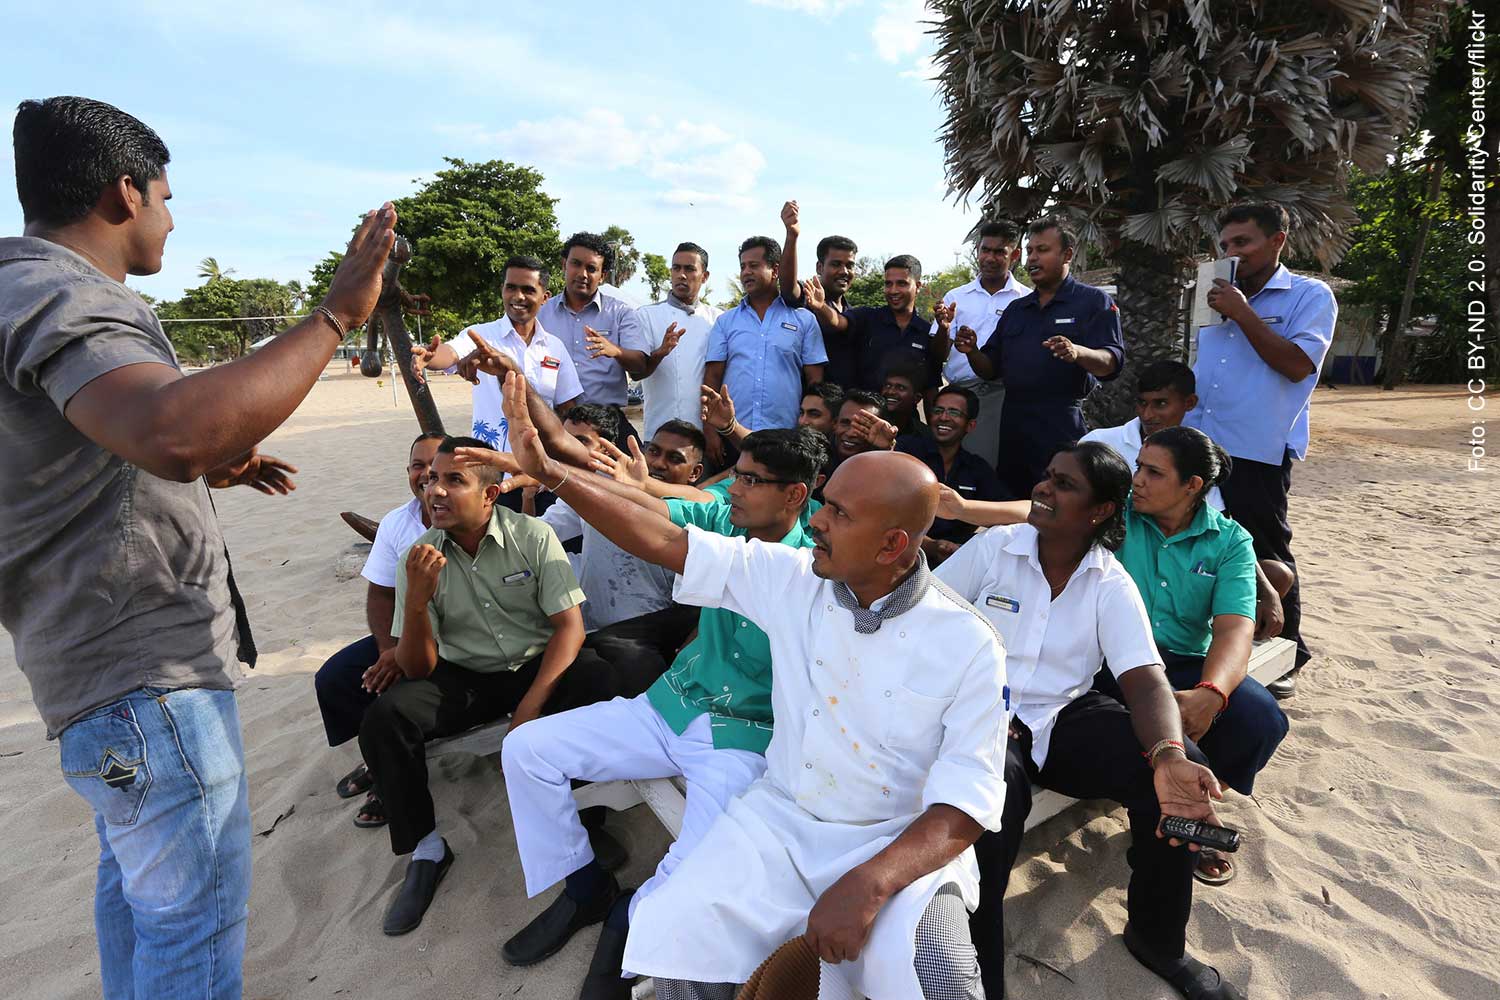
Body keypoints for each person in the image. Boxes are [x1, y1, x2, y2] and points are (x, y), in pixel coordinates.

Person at [0, 96, 395, 999]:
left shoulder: (18, 290)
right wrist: (336, 313)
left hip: (96, 675)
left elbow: (97, 449)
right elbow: (168, 429)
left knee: (140, 897)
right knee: (194, 919)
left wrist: (203, 468)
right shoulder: (57, 290)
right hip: (146, 678)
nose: (172, 219)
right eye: (166, 198)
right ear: (123, 192)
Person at [500, 371, 1009, 999]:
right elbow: (665, 539)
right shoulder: (794, 577)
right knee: (684, 952)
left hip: (897, 846)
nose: (819, 522)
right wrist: (555, 476)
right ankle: (594, 900)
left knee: (944, 983)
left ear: (893, 544)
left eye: (838, 513)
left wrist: (872, 882)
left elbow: (970, 802)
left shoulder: (970, 643)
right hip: (781, 821)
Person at [496, 424, 825, 1000]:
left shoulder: (815, 570)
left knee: (695, 868)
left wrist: (563, 474)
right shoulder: (728, 519)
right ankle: (584, 884)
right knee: (526, 749)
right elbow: (648, 511)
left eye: (751, 480)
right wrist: (559, 460)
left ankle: (626, 933)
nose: (735, 489)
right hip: (669, 704)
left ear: (796, 494)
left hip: (742, 737)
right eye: (737, 474)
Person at [931, 441, 1242, 1000]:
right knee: (992, 791)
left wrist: (1169, 752)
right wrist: (969, 703)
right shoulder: (996, 548)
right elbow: (925, 620)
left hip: (1059, 716)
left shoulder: (1109, 581)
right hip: (981, 713)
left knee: (1176, 772)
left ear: (1099, 511)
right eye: (1047, 476)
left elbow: (1144, 680)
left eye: (1064, 484)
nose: (1044, 489)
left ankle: (1157, 939)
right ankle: (976, 978)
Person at [361, 437, 621, 936]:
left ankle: (588, 819)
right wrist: (415, 602)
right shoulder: (419, 557)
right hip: (465, 676)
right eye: (432, 478)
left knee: (598, 675)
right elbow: (418, 667)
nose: (433, 490)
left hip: (535, 664)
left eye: (452, 480)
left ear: (490, 494)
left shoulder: (532, 537)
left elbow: (568, 628)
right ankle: (427, 848)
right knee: (386, 717)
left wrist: (529, 708)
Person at [1105, 426, 1290, 886]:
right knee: (1175, 742)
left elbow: (1234, 628)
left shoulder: (1229, 541)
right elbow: (1044, 512)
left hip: (1185, 659)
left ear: (1192, 486)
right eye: (1138, 467)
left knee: (1261, 719)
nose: (1137, 479)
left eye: (1153, 472)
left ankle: (1199, 804)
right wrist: (964, 509)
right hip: (1116, 661)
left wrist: (1211, 693)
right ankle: (1179, 828)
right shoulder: (1118, 515)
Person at [1186, 201, 1337, 698]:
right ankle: (1215, 640)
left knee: (1266, 548)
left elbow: (1297, 365)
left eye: (1243, 242)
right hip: (1202, 439)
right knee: (1206, 541)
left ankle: (1289, 649)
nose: (1232, 253)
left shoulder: (1308, 295)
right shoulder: (1213, 296)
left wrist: (1243, 313)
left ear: (1278, 242)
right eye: (1225, 244)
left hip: (1257, 449)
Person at [314, 432, 443, 828]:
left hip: (452, 639)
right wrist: (390, 649)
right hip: (406, 634)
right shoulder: (396, 522)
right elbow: (381, 596)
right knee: (335, 679)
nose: (425, 475)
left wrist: (406, 654)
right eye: (417, 466)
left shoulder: (460, 516)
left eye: (435, 467)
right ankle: (378, 759)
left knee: (395, 698)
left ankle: (392, 780)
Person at [953, 216, 1125, 497]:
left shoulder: (1092, 301)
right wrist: (972, 351)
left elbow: (1112, 362)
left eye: (1042, 250)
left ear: (1067, 254)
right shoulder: (1017, 309)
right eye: (1030, 250)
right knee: (1012, 503)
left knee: (1060, 500)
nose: (1032, 258)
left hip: (1060, 423)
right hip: (1013, 424)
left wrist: (1077, 352)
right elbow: (990, 369)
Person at [407, 255, 584, 490]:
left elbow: (568, 409)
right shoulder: (480, 336)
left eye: (528, 290)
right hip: (491, 472)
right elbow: (450, 352)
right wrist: (430, 357)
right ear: (502, 290)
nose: (518, 297)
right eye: (511, 287)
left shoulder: (555, 347)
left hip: (543, 473)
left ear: (545, 297)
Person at [531, 410, 705, 632]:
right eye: (654, 451)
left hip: (650, 638)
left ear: (695, 472)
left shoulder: (700, 516)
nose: (659, 463)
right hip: (588, 629)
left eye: (675, 458)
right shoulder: (599, 488)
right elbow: (543, 532)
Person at [703, 236, 827, 435]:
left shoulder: (804, 320)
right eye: (743, 266)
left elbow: (815, 381)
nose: (746, 273)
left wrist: (807, 430)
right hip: (732, 433)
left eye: (753, 265)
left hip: (786, 434)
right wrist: (710, 433)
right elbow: (712, 377)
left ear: (775, 270)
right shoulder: (725, 321)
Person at [538, 232, 651, 424]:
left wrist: (616, 351)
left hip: (605, 422)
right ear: (564, 264)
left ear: (602, 276)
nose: (582, 274)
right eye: (576, 264)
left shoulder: (621, 313)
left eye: (591, 268)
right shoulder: (540, 314)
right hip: (551, 420)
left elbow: (640, 366)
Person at [1082, 359, 1225, 511]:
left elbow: (1214, 518)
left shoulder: (1198, 454)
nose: (1147, 414)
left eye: (1161, 404)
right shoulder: (1099, 443)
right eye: (1142, 403)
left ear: (1189, 403)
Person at [804, 253, 952, 399]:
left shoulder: (926, 331)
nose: (893, 290)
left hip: (905, 421)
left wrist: (944, 328)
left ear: (918, 286)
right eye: (888, 284)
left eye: (902, 283)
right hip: (862, 416)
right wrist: (820, 306)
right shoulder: (866, 318)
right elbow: (838, 322)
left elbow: (930, 388)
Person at [940, 220, 1026, 465]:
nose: (990, 257)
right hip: (959, 392)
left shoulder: (1026, 299)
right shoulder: (956, 296)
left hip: (1000, 396)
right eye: (985, 250)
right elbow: (938, 354)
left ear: (1015, 254)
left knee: (986, 465)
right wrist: (944, 329)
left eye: (1000, 252)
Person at [895, 386, 1003, 565]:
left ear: (970, 425)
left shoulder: (975, 467)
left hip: (956, 562)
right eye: (938, 410)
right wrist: (931, 546)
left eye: (954, 412)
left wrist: (964, 508)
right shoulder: (907, 449)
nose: (944, 417)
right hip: (901, 555)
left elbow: (1017, 510)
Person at [634, 242, 720, 436]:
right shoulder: (646, 315)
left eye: (690, 269)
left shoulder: (718, 319)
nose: (681, 275)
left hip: (705, 436)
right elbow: (636, 373)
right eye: (676, 268)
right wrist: (660, 353)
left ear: (704, 277)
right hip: (657, 434)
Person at [778, 199, 859, 388]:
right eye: (836, 264)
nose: (844, 271)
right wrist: (792, 235)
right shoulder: (807, 299)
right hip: (811, 411)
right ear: (819, 267)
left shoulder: (853, 314)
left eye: (850, 265)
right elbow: (788, 288)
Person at [879, 359, 934, 443]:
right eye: (888, 385)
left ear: (916, 398)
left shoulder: (925, 436)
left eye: (900, 388)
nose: (890, 392)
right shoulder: (868, 425)